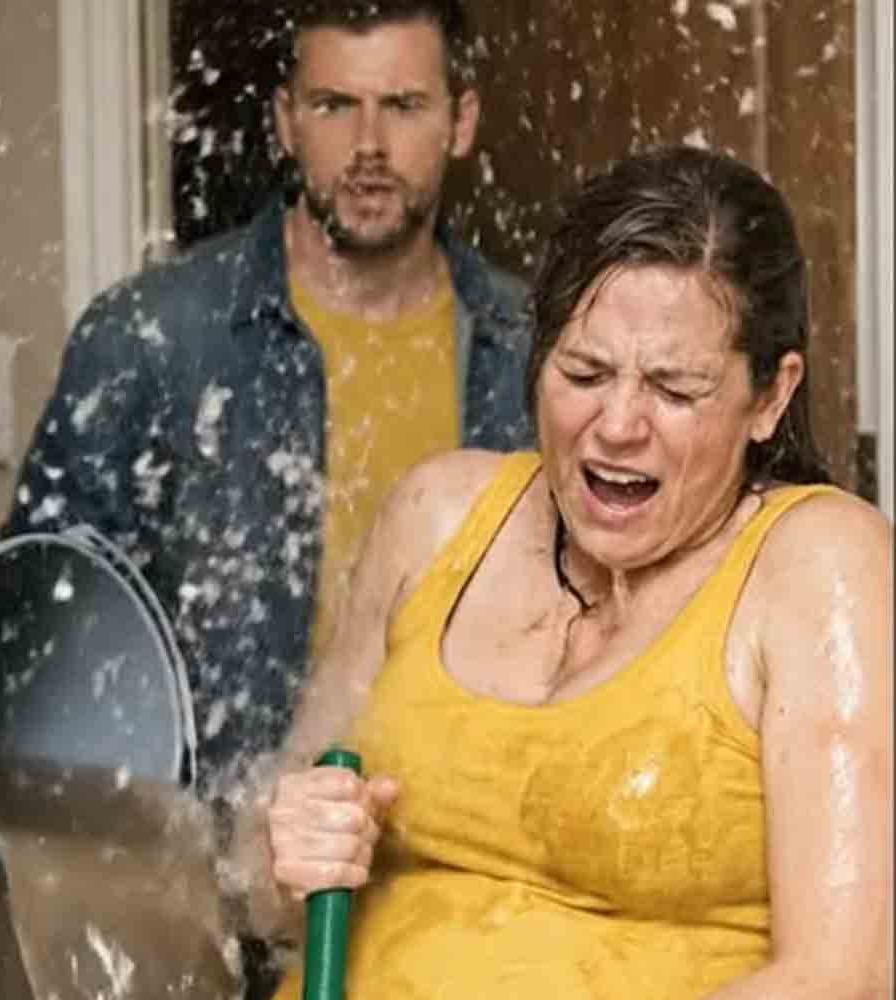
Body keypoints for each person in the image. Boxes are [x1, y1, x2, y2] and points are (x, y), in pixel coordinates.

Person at [250, 144, 893, 998]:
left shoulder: (820, 565)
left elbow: (844, 978)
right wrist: (283, 863)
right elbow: (264, 899)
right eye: (583, 372)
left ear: (770, 397)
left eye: (675, 389)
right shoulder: (435, 515)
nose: (616, 425)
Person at [3, 0, 530, 804]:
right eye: (334, 105)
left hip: (460, 847)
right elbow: (40, 643)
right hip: (223, 855)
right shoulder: (148, 339)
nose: (369, 146)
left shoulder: (535, 352)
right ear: (286, 121)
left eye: (403, 106)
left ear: (461, 122)